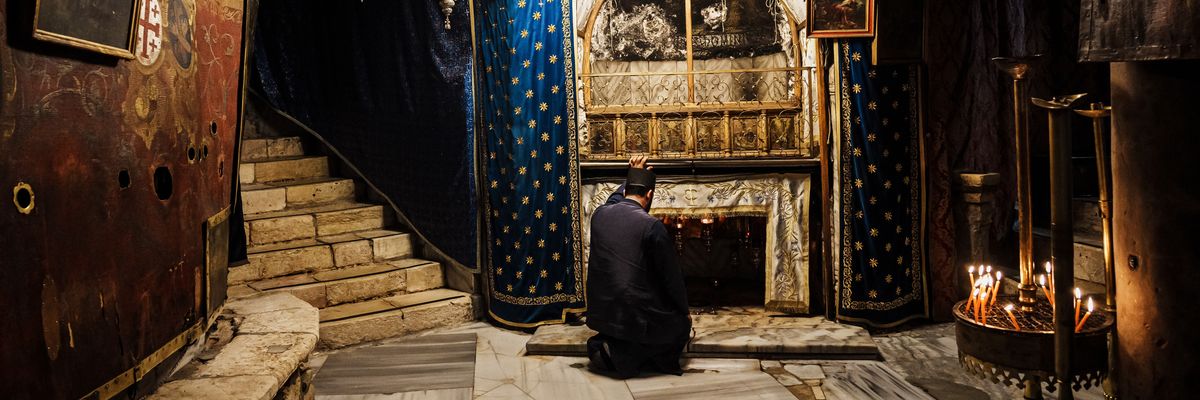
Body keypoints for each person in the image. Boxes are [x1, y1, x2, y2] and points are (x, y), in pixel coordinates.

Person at [585, 155, 691, 378]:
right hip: (633, 317)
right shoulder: (652, 226)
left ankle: (612, 344)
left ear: (625, 191)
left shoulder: (599, 214)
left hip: (602, 315)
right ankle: (626, 355)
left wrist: (632, 173)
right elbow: (672, 280)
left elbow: (615, 198)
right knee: (679, 325)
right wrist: (684, 313)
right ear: (650, 195)